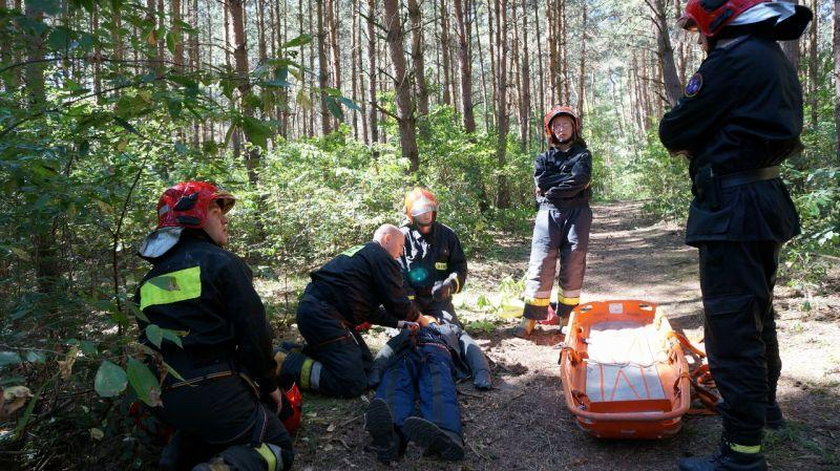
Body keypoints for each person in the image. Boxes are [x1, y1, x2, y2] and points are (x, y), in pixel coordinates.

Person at [658, 2, 812, 470]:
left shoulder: (733, 60)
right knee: (756, 311)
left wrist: (696, 137)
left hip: (734, 208)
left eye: (697, 30)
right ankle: (764, 409)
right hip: (761, 200)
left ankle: (742, 453)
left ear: (716, 21)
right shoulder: (770, 57)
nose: (697, 38)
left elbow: (675, 129)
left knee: (731, 326)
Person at [134, 181, 294, 471]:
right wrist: (269, 384)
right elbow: (253, 332)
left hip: (168, 399)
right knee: (278, 446)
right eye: (214, 209)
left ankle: (175, 460)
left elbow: (145, 348)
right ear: (190, 215)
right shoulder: (222, 263)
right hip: (218, 390)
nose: (225, 218)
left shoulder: (148, 282)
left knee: (205, 432)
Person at [276, 224, 421, 398]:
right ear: (387, 239)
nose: (402, 252)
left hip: (321, 314)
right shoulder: (380, 256)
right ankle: (284, 362)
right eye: (401, 246)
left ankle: (296, 351)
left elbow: (368, 310)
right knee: (352, 383)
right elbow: (398, 302)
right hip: (324, 317)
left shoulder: (366, 257)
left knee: (366, 365)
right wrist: (421, 318)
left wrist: (401, 323)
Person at [515, 105, 593, 337]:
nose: (561, 129)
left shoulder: (583, 155)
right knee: (541, 260)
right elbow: (542, 179)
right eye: (556, 125)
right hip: (548, 212)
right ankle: (531, 317)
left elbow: (580, 180)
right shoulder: (543, 158)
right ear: (550, 130)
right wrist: (564, 181)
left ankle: (566, 316)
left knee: (574, 260)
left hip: (578, 212)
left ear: (574, 127)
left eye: (565, 124)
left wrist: (551, 187)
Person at [364, 314, 484, 464]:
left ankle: (446, 434)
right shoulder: (406, 330)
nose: (422, 316)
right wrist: (376, 370)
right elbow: (388, 348)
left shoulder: (450, 328)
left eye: (427, 315)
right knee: (394, 380)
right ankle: (390, 436)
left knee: (438, 384)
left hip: (437, 353)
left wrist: (482, 371)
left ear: (437, 320)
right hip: (405, 354)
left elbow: (471, 348)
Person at [398, 187, 468, 326]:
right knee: (408, 332)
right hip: (410, 300)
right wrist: (410, 302)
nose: (426, 215)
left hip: (439, 301)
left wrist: (449, 285)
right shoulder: (402, 236)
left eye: (429, 209)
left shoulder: (447, 235)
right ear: (411, 214)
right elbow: (397, 272)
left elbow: (459, 267)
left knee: (451, 331)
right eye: (421, 211)